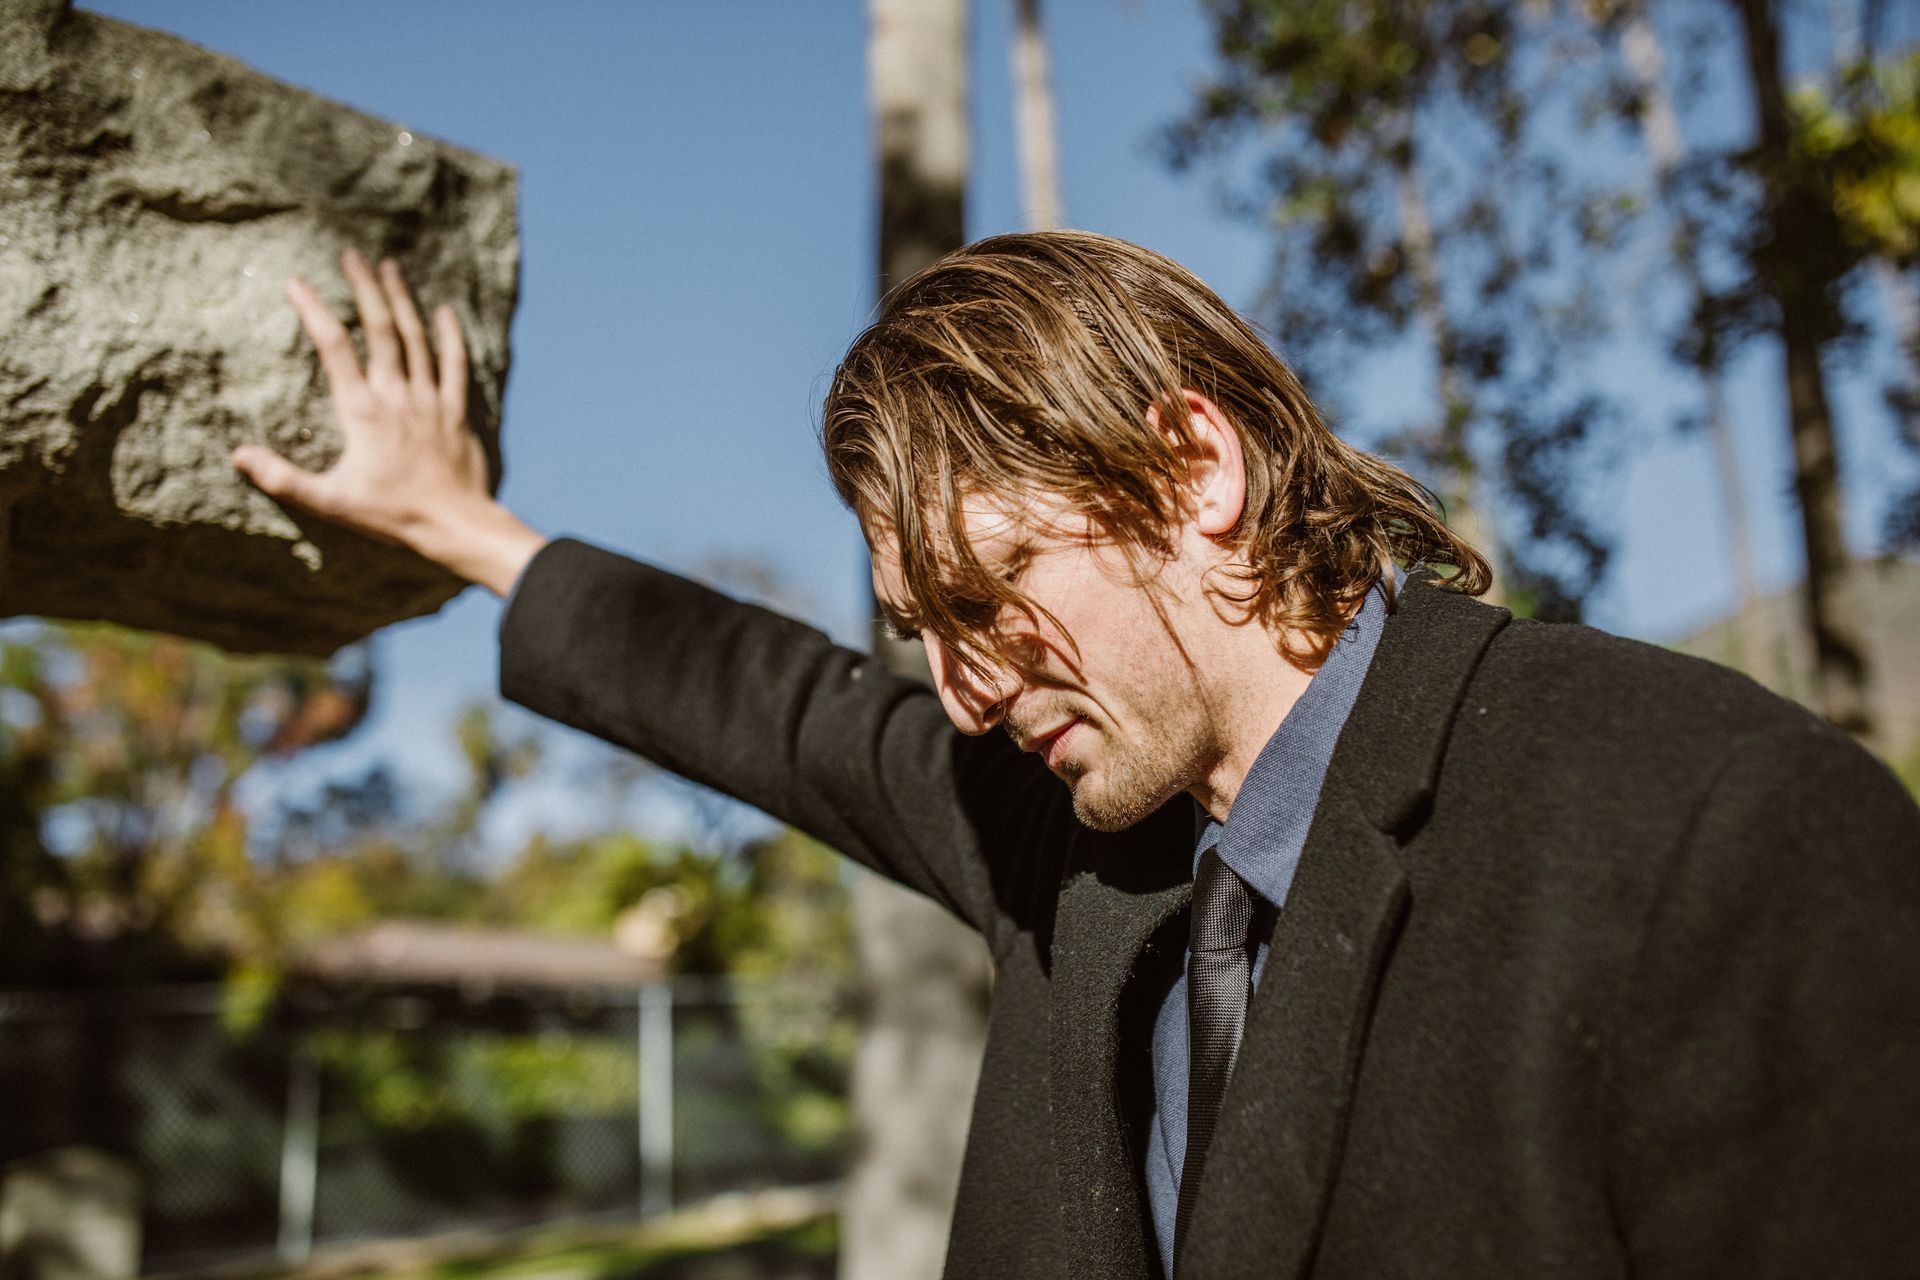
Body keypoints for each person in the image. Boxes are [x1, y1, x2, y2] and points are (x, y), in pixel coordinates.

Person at [233, 235, 1920, 1279]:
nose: (963, 695)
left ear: (1193, 469)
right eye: (927, 633)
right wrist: (460, 528)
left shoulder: (1716, 824)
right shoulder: (1067, 841)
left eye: (989, 597)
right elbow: (781, 702)